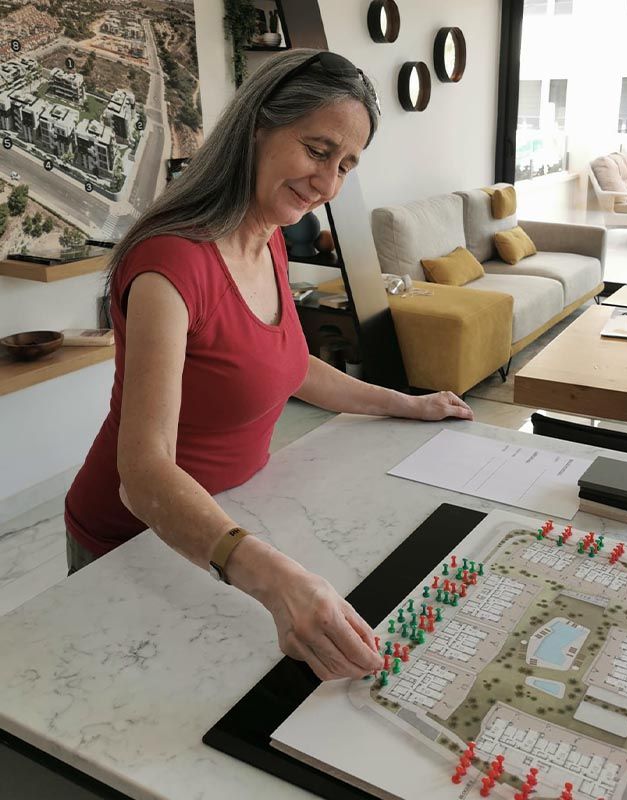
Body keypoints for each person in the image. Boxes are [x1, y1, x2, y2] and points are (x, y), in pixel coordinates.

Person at [64, 49, 474, 682]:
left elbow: (289, 365)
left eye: (345, 166)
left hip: (232, 517)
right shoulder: (170, 265)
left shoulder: (269, 237)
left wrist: (410, 403)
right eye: (317, 150)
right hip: (137, 538)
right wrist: (278, 579)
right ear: (258, 126)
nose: (328, 184)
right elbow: (142, 475)